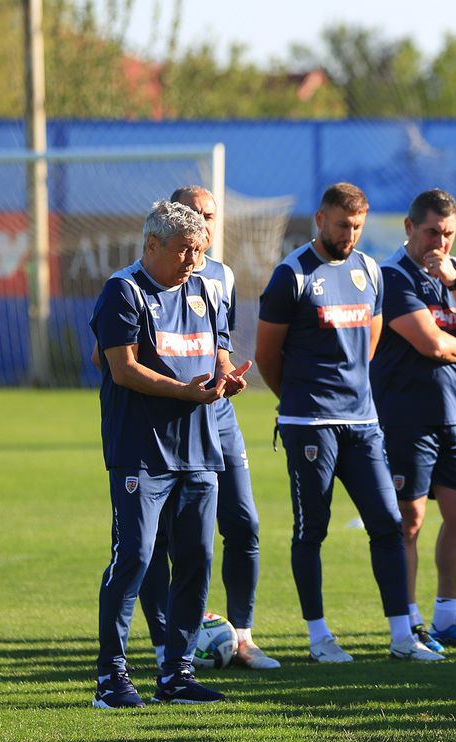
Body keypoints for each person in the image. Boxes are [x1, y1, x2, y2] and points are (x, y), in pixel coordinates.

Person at [254, 182, 442, 663]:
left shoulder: (370, 272)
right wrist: (297, 403)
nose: (350, 234)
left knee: (388, 521)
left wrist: (348, 394)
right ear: (320, 220)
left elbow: (370, 345)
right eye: (342, 225)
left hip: (362, 422)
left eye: (358, 226)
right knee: (311, 529)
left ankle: (402, 636)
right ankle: (319, 638)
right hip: (309, 424)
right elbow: (266, 356)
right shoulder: (291, 275)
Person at [90, 200, 250, 708]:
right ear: (153, 245)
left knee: (198, 560)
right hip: (141, 450)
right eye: (184, 250)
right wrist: (185, 392)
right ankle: (111, 679)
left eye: (199, 250)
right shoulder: (124, 290)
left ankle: (176, 674)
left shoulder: (206, 288)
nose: (193, 260)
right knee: (134, 556)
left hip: (200, 450)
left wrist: (225, 378)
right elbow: (123, 369)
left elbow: (217, 350)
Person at [134, 186, 278, 670]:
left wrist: (224, 375)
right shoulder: (133, 283)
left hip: (216, 416)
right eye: (194, 216)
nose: (204, 225)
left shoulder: (221, 276)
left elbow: (217, 346)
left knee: (244, 522)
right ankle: (167, 645)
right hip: (165, 423)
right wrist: (173, 385)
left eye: (210, 216)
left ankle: (242, 636)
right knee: (156, 541)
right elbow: (110, 357)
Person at [371, 188, 456, 648]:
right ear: (410, 228)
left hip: (455, 416)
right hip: (406, 415)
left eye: (448, 234)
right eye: (431, 232)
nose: (439, 242)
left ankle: (447, 619)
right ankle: (408, 624)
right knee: (409, 520)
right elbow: (431, 343)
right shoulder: (393, 276)